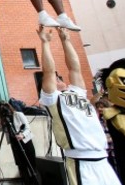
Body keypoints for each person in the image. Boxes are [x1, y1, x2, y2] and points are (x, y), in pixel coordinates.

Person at [38, 27, 120, 185]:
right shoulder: (52, 99)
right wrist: (45, 43)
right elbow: (48, 71)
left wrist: (65, 40)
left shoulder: (77, 92)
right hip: (81, 161)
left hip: (103, 160)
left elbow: (75, 68)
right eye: (54, 78)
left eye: (59, 77)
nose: (57, 79)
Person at [0, 101, 38, 185]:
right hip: (15, 144)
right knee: (21, 166)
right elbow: (0, 130)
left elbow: (28, 128)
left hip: (25, 142)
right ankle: (26, 182)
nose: (4, 110)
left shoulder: (18, 115)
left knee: (31, 164)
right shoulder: (4, 119)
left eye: (5, 107)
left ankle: (34, 182)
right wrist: (1, 124)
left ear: (9, 107)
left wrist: (22, 135)